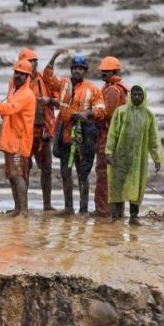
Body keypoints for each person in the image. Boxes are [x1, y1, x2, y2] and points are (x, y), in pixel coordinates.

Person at [40, 51, 105, 216]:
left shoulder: (92, 89)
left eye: (80, 68)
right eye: (74, 68)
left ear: (85, 71)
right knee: (65, 172)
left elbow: (101, 110)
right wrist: (54, 57)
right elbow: (47, 77)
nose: (77, 71)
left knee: (83, 173)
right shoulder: (63, 84)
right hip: (65, 135)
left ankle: (83, 209)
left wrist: (86, 114)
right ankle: (68, 207)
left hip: (82, 138)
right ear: (71, 69)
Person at [0, 59, 37, 217]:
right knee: (12, 175)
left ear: (28, 77)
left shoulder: (26, 94)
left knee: (18, 175)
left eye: (22, 74)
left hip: (19, 142)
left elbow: (10, 109)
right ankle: (18, 208)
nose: (18, 76)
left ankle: (24, 210)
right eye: (16, 72)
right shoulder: (14, 90)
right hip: (10, 140)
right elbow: (7, 108)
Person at [12, 48, 62, 211]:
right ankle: (21, 206)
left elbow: (61, 97)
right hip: (23, 133)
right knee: (22, 170)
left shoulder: (43, 79)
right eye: (30, 61)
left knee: (46, 169)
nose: (33, 64)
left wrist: (47, 101)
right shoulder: (15, 83)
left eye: (35, 61)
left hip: (42, 132)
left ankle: (47, 205)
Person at [104, 85, 162, 225]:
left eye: (139, 95)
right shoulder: (121, 112)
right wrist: (109, 152)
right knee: (117, 184)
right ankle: (116, 216)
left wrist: (157, 157)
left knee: (137, 186)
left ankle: (134, 216)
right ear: (130, 95)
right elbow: (112, 134)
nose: (136, 97)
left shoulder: (149, 115)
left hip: (138, 160)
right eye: (134, 94)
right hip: (120, 157)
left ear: (144, 96)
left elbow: (154, 138)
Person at [94, 56, 129, 218]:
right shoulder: (119, 89)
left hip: (108, 137)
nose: (104, 74)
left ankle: (103, 211)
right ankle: (116, 212)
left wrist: (91, 114)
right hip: (117, 138)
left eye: (107, 71)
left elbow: (108, 115)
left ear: (114, 71)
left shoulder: (112, 91)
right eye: (103, 71)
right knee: (115, 176)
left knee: (103, 174)